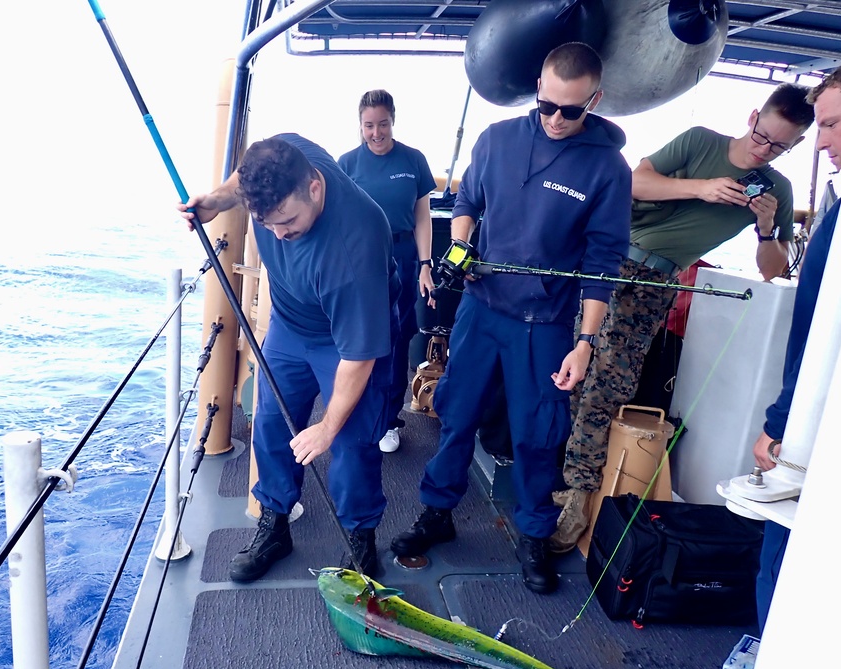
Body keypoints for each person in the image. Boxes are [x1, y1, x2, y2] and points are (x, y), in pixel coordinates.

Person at [389, 42, 631, 595]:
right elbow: (468, 201)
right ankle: (436, 513)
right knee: (456, 413)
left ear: (594, 101)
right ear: (536, 93)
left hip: (545, 325)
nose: (555, 119)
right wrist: (461, 245)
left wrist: (585, 342)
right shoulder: (496, 140)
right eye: (546, 105)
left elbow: (602, 262)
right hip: (481, 309)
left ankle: (533, 535)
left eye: (570, 110)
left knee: (538, 434)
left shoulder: (607, 169)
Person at [551, 82, 816, 552]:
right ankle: (569, 479)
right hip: (611, 261)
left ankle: (577, 494)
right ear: (753, 116)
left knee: (610, 384)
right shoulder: (701, 141)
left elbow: (772, 270)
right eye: (762, 136)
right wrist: (702, 189)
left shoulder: (776, 189)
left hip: (658, 283)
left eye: (779, 147)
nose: (764, 151)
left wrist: (766, 227)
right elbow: (635, 180)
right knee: (578, 371)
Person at [689, 52, 841, 669]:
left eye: (829, 126)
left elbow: (818, 332)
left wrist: (779, 427)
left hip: (820, 434)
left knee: (785, 562)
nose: (819, 143)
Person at [179, 134, 395, 581]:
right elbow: (244, 178)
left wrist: (326, 428)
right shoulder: (282, 163)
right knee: (272, 422)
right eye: (268, 223)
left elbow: (359, 359)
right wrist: (216, 200)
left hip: (345, 341)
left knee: (353, 441)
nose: (279, 235)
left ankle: (360, 535)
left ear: (314, 187)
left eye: (288, 221)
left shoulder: (357, 244)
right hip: (289, 327)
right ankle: (275, 524)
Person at [339, 89, 437, 454]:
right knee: (359, 339)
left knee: (395, 343)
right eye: (368, 125)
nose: (376, 132)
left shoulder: (413, 160)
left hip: (404, 255)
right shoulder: (346, 164)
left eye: (382, 124)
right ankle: (355, 410)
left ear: (392, 121)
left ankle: (390, 419)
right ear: (360, 125)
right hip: (361, 260)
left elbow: (422, 216)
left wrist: (425, 265)